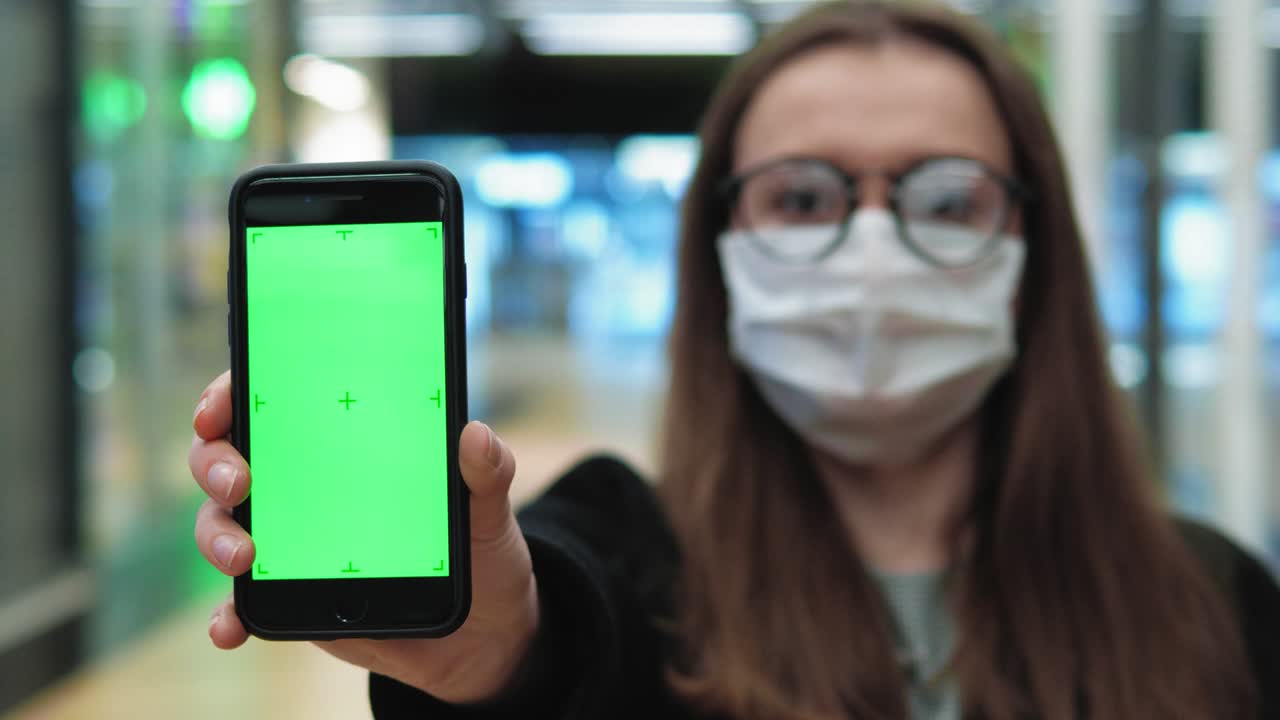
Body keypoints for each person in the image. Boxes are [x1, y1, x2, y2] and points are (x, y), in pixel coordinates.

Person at [187, 2, 1280, 718]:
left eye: (946, 199)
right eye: (802, 198)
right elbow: (563, 626)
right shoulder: (624, 557)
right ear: (717, 252)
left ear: (1035, 251)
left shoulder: (1218, 602)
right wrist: (501, 664)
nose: (870, 247)